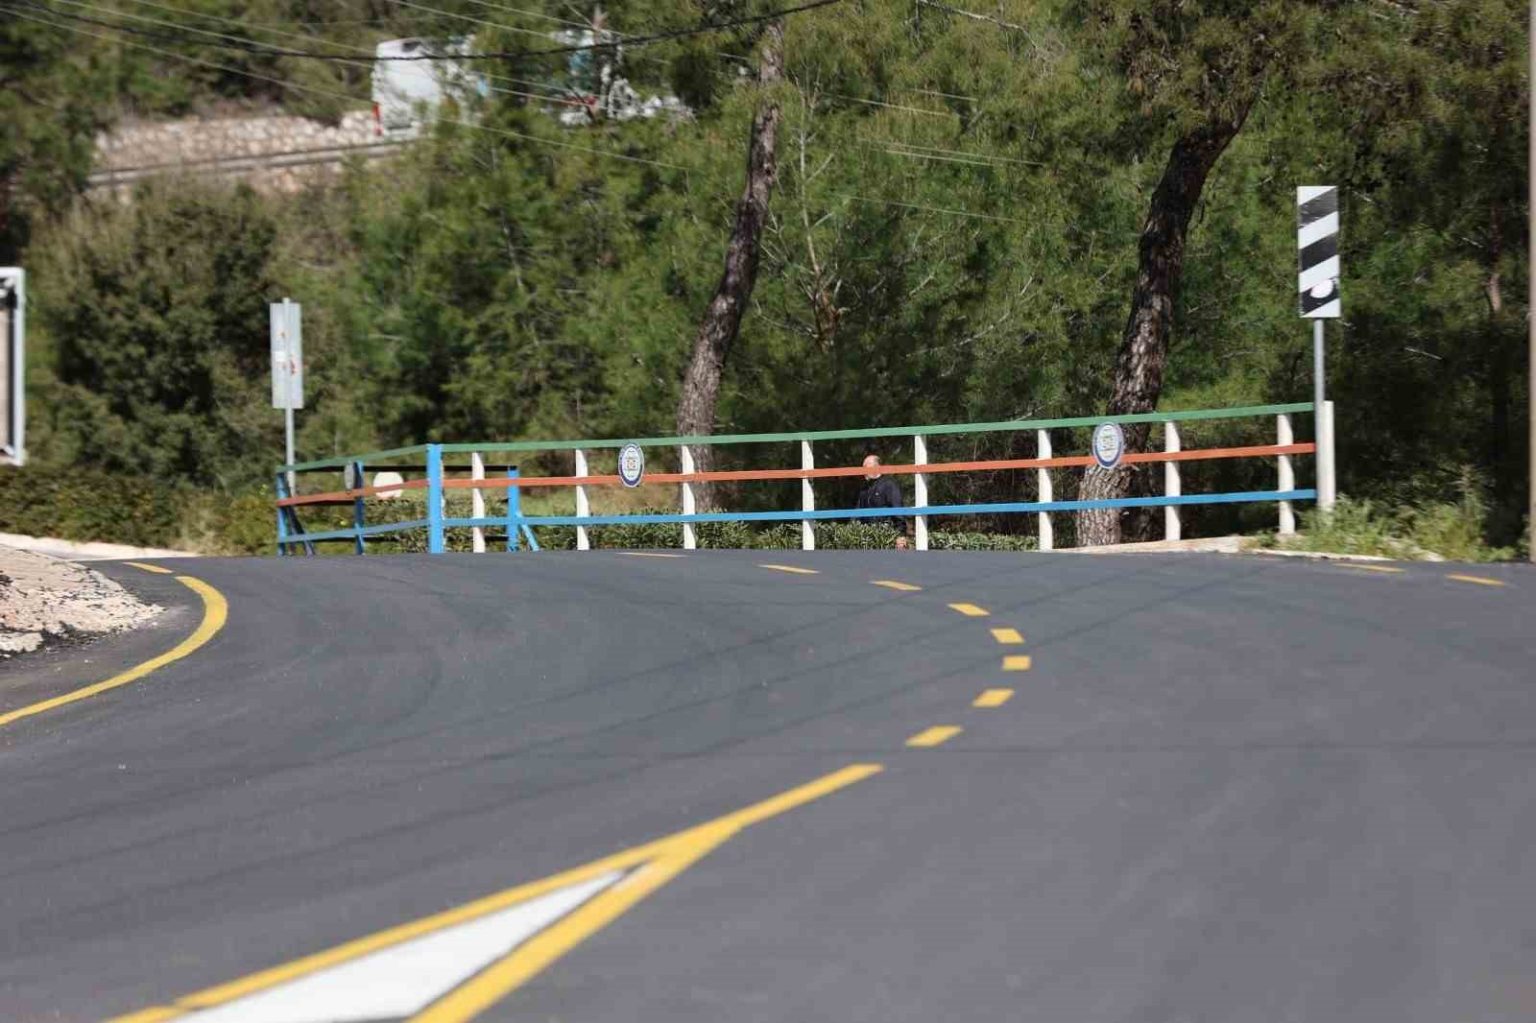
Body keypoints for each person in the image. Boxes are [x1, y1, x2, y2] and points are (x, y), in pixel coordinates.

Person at [856, 455, 909, 549]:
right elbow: (857, 514)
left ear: (877, 467)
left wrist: (900, 535)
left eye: (866, 467)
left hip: (887, 537)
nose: (863, 471)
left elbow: (898, 510)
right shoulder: (864, 490)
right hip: (867, 539)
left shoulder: (889, 485)